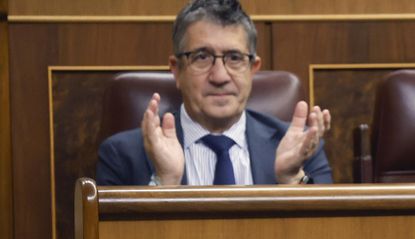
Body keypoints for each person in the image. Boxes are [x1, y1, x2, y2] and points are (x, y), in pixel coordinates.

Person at [96, 0, 332, 186]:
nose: (220, 76)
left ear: (252, 69)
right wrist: (164, 184)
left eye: (235, 58)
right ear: (177, 70)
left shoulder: (302, 150)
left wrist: (291, 180)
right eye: (202, 57)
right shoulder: (121, 154)